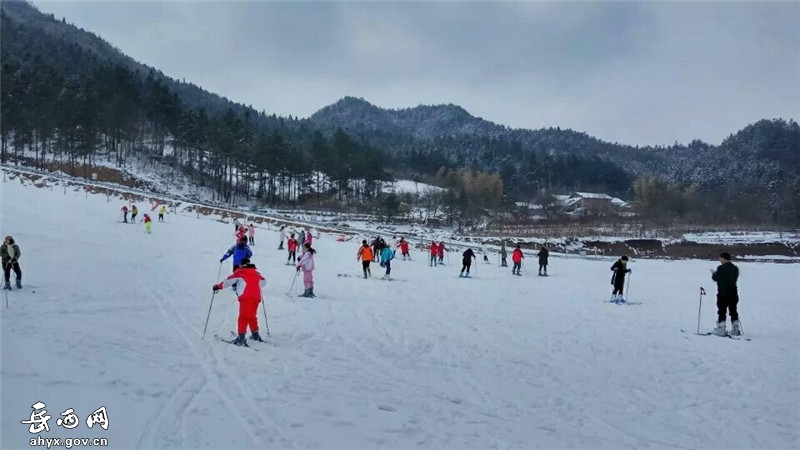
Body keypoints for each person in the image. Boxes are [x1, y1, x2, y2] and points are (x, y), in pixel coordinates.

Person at [213, 258, 265, 345]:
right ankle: (256, 336)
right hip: (256, 297)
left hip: (246, 297)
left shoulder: (240, 272)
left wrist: (218, 286)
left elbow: (228, 281)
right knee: (252, 316)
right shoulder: (256, 273)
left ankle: (240, 338)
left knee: (243, 317)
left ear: (241, 265)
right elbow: (264, 282)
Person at [711, 252, 741, 336]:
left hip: (723, 293)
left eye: (720, 258)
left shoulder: (721, 268)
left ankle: (721, 329)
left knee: (722, 311)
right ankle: (736, 329)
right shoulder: (735, 268)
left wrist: (714, 273)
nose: (719, 260)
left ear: (723, 258)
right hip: (733, 292)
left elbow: (716, 278)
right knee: (733, 311)